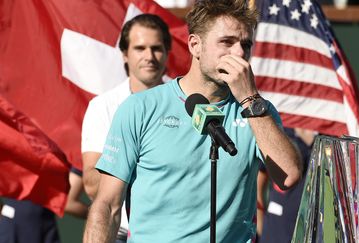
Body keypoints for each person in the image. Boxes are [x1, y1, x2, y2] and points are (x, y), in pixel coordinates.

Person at [83, 0, 302, 242]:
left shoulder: (257, 111)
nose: (239, 53)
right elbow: (107, 206)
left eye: (246, 44)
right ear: (195, 45)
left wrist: (249, 100)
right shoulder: (139, 108)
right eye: (227, 42)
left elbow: (288, 176)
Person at [81, 13, 171, 242]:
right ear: (125, 54)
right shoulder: (102, 106)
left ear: (167, 53)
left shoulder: (189, 102)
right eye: (140, 48)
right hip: (119, 233)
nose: (149, 56)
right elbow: (92, 184)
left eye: (156, 48)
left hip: (176, 233)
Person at [256, 128, 315, 243]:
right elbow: (258, 185)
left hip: (309, 228)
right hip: (275, 230)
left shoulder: (330, 133)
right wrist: (260, 227)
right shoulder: (282, 132)